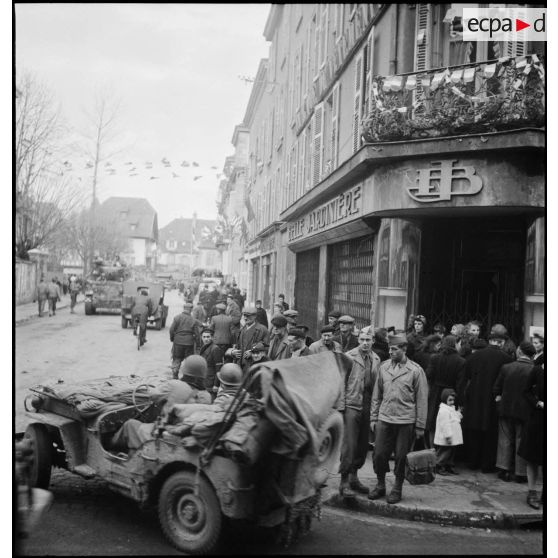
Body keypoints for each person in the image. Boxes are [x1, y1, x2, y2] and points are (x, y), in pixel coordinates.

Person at [368, 333, 428, 504]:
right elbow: (376, 395)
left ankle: (397, 488)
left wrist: (420, 426)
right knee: (379, 454)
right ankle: (380, 485)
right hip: (384, 418)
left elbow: (422, 400)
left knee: (401, 457)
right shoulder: (384, 368)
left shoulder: (415, 370)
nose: (390, 352)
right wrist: (373, 418)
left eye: (394, 349)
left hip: (405, 421)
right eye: (389, 349)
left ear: (404, 349)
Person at [109, 358, 211, 451]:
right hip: (184, 435)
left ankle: (111, 449)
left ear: (185, 371)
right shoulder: (207, 396)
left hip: (162, 434)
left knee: (130, 424)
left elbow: (153, 395)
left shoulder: (174, 385)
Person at [459, 332, 513, 472]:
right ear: (500, 342)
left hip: (475, 399)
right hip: (493, 401)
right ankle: (487, 465)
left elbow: (466, 378)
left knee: (474, 432)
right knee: (491, 434)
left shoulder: (474, 356)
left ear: (490, 341)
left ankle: (472, 462)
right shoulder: (506, 358)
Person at [339, 330, 381, 498]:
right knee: (349, 444)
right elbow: (340, 382)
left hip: (368, 404)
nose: (365, 343)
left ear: (373, 341)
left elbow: (378, 385)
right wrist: (341, 407)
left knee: (363, 445)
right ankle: (343, 483)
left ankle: (354, 478)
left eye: (368, 340)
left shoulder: (376, 359)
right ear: (358, 340)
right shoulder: (348, 356)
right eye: (362, 339)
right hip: (351, 404)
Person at [493, 341, 535, 483]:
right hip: (526, 411)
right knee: (521, 441)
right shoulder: (535, 370)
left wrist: (499, 402)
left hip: (506, 408)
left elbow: (496, 388)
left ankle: (503, 469)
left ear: (519, 351)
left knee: (505, 439)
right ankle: (520, 473)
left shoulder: (506, 367)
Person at [425, 335, 465, 449]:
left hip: (436, 393)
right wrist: (460, 402)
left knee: (433, 423)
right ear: (455, 344)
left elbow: (428, 374)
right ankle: (445, 458)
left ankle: (432, 453)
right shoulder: (461, 361)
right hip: (450, 395)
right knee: (450, 424)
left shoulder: (434, 358)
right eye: (459, 344)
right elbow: (460, 384)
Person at [517, 358, 545, 509]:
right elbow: (525, 391)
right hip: (537, 419)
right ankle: (532, 492)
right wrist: (537, 403)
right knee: (533, 457)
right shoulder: (538, 370)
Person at [225, 306, 269, 375]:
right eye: (244, 315)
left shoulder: (262, 329)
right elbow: (235, 345)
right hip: (240, 366)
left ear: (255, 316)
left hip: (254, 366)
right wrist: (233, 352)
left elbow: (266, 347)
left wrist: (253, 352)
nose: (245, 318)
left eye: (248, 316)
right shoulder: (241, 329)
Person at [169, 302, 203, 379]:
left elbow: (171, 330)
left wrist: (172, 338)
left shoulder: (177, 317)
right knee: (188, 360)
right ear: (191, 310)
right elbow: (197, 334)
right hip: (189, 342)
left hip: (178, 342)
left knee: (177, 358)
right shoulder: (193, 320)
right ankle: (187, 376)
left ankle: (175, 374)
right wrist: (198, 345)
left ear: (184, 308)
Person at [434, 389, 463, 475]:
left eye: (453, 400)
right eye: (450, 400)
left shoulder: (451, 409)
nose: (452, 402)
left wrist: (458, 413)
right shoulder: (443, 410)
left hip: (453, 437)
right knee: (444, 452)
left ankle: (448, 465)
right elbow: (445, 424)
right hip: (447, 437)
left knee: (451, 452)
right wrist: (448, 436)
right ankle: (438, 465)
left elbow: (455, 419)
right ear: (444, 399)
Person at [199, 329, 224, 399]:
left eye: (208, 337)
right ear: (201, 338)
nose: (206, 339)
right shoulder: (204, 347)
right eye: (204, 337)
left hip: (211, 382)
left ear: (212, 338)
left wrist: (216, 385)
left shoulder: (215, 349)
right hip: (205, 380)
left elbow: (219, 369)